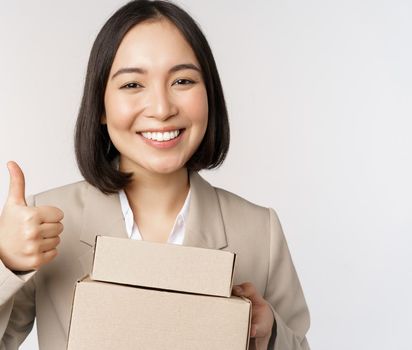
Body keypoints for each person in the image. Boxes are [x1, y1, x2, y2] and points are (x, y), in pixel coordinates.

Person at [0, 1, 310, 349]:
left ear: (209, 95)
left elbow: (299, 342)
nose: (162, 109)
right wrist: (5, 263)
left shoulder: (259, 230)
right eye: (133, 85)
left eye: (182, 80)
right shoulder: (47, 222)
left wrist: (270, 335)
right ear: (100, 106)